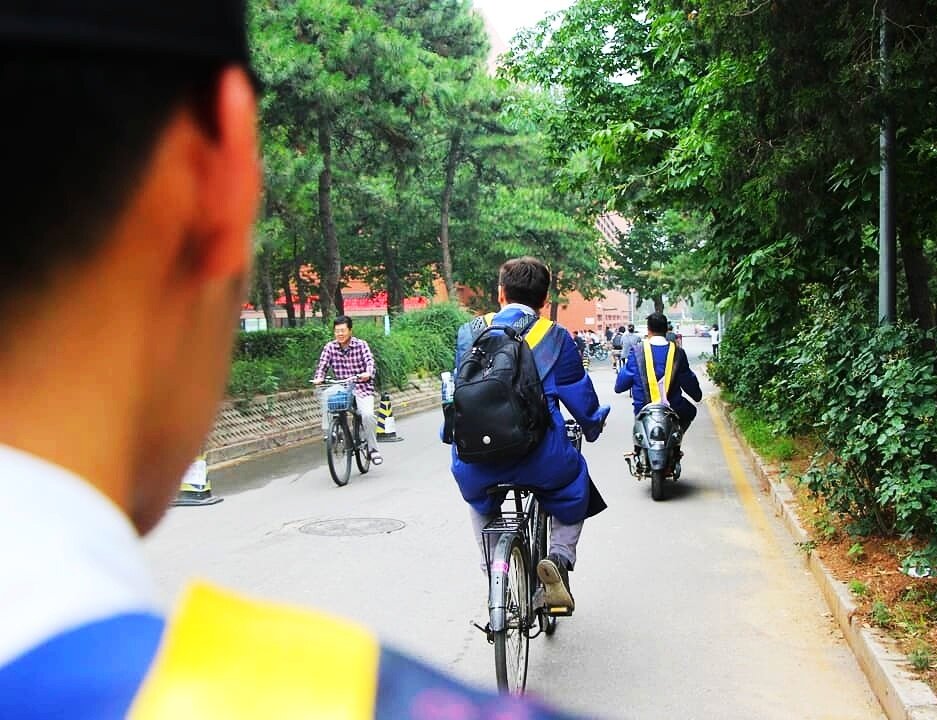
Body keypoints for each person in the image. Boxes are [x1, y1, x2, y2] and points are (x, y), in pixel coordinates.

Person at [0, 6, 575, 717]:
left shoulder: (457, 335)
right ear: (220, 174)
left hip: (464, 458)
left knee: (397, 433)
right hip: (529, 453)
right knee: (567, 484)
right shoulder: (362, 701)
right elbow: (572, 397)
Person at [447, 257, 610, 613]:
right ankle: (559, 558)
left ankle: (495, 568)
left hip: (478, 458)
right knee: (575, 483)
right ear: (545, 299)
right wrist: (593, 424)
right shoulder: (555, 336)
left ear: (500, 293)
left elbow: (457, 393)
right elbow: (579, 396)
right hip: (541, 457)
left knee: (478, 498)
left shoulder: (470, 332)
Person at [615, 312, 703, 433]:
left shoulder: (637, 352)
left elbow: (620, 385)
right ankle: (676, 438)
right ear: (666, 330)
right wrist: (697, 395)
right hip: (673, 409)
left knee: (639, 432)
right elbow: (688, 380)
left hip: (643, 410)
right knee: (691, 411)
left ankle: (640, 444)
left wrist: (620, 385)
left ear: (648, 330)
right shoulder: (678, 353)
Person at [313, 315, 382, 466]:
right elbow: (322, 366)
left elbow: (370, 362)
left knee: (368, 415)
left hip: (362, 387)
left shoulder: (361, 345)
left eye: (343, 330)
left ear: (350, 330)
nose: (340, 334)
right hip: (342, 387)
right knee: (326, 395)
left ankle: (373, 449)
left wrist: (368, 373)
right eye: (337, 331)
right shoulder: (330, 347)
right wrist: (319, 378)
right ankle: (331, 432)